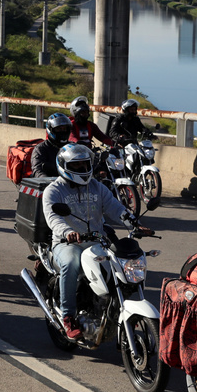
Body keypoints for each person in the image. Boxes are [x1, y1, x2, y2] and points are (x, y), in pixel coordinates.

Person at [41, 143, 129, 340]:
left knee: (120, 264)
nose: (81, 168)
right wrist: (68, 232)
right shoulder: (53, 190)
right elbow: (53, 218)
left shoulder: (97, 187)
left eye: (84, 164)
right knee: (71, 263)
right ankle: (68, 317)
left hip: (96, 241)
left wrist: (133, 222)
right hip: (66, 243)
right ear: (64, 166)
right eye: (76, 165)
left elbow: (115, 208)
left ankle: (114, 308)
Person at [31, 113, 73, 178]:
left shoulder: (72, 147)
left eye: (65, 129)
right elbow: (38, 170)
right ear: (50, 130)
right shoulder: (41, 149)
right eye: (59, 129)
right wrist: (47, 180)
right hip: (50, 182)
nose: (63, 131)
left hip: (71, 181)